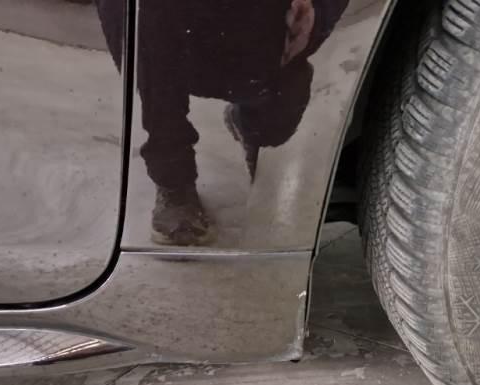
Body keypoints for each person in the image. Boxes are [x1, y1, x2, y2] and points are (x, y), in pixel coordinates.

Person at [98, 0, 349, 245]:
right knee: (141, 17)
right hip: (167, 34)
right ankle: (174, 182)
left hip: (261, 29)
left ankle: (252, 124)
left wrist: (316, 15)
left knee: (278, 120)